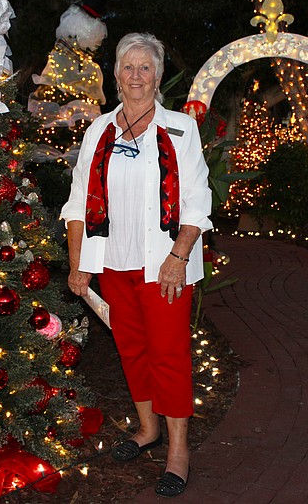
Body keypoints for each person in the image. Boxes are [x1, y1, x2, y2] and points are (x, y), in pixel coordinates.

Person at [60, 32, 212, 497]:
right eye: (128, 67)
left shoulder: (181, 129)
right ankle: (148, 430)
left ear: (159, 76)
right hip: (114, 263)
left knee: (168, 354)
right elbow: (77, 203)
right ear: (116, 75)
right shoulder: (97, 131)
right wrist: (78, 263)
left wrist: (178, 257)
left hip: (164, 263)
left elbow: (197, 202)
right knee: (131, 349)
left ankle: (178, 451)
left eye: (146, 67)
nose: (136, 76)